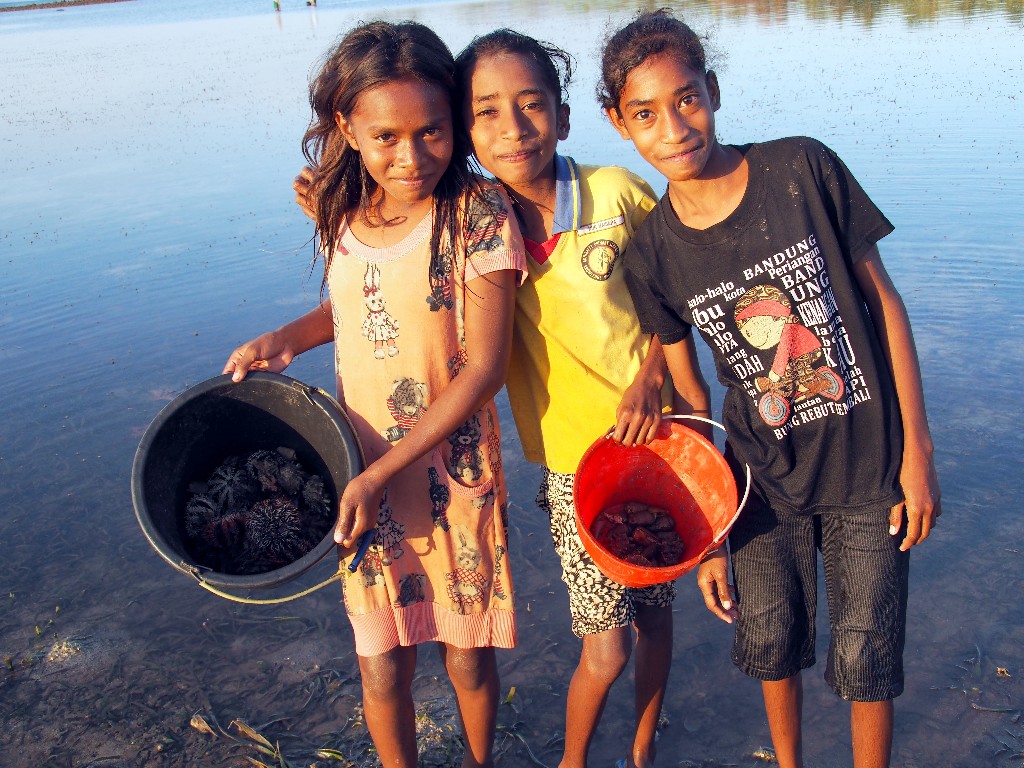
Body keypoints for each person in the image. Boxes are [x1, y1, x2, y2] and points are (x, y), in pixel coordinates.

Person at [599, 10, 941, 768]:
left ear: (712, 91)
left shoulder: (801, 170)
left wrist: (916, 452)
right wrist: (709, 530)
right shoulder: (653, 254)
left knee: (865, 655)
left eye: (687, 98)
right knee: (771, 641)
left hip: (867, 467)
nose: (675, 127)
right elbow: (689, 401)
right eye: (646, 114)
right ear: (620, 125)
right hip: (758, 486)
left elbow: (884, 304)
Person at [223, 21, 526, 768]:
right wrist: (288, 338)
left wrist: (384, 471)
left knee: (465, 652)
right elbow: (357, 303)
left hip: (452, 476)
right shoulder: (341, 213)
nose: (411, 156)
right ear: (347, 128)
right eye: (386, 135)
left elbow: (483, 370)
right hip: (358, 470)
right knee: (382, 659)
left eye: (433, 132)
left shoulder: (477, 216)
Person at [454, 29, 704, 768]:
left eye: (532, 106)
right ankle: (573, 762)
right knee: (607, 645)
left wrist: (652, 376)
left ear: (564, 118)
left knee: (657, 618)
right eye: (489, 112)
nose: (514, 129)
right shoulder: (472, 223)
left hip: (660, 445)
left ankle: (640, 748)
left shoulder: (615, 194)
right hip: (575, 467)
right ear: (467, 131)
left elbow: (683, 298)